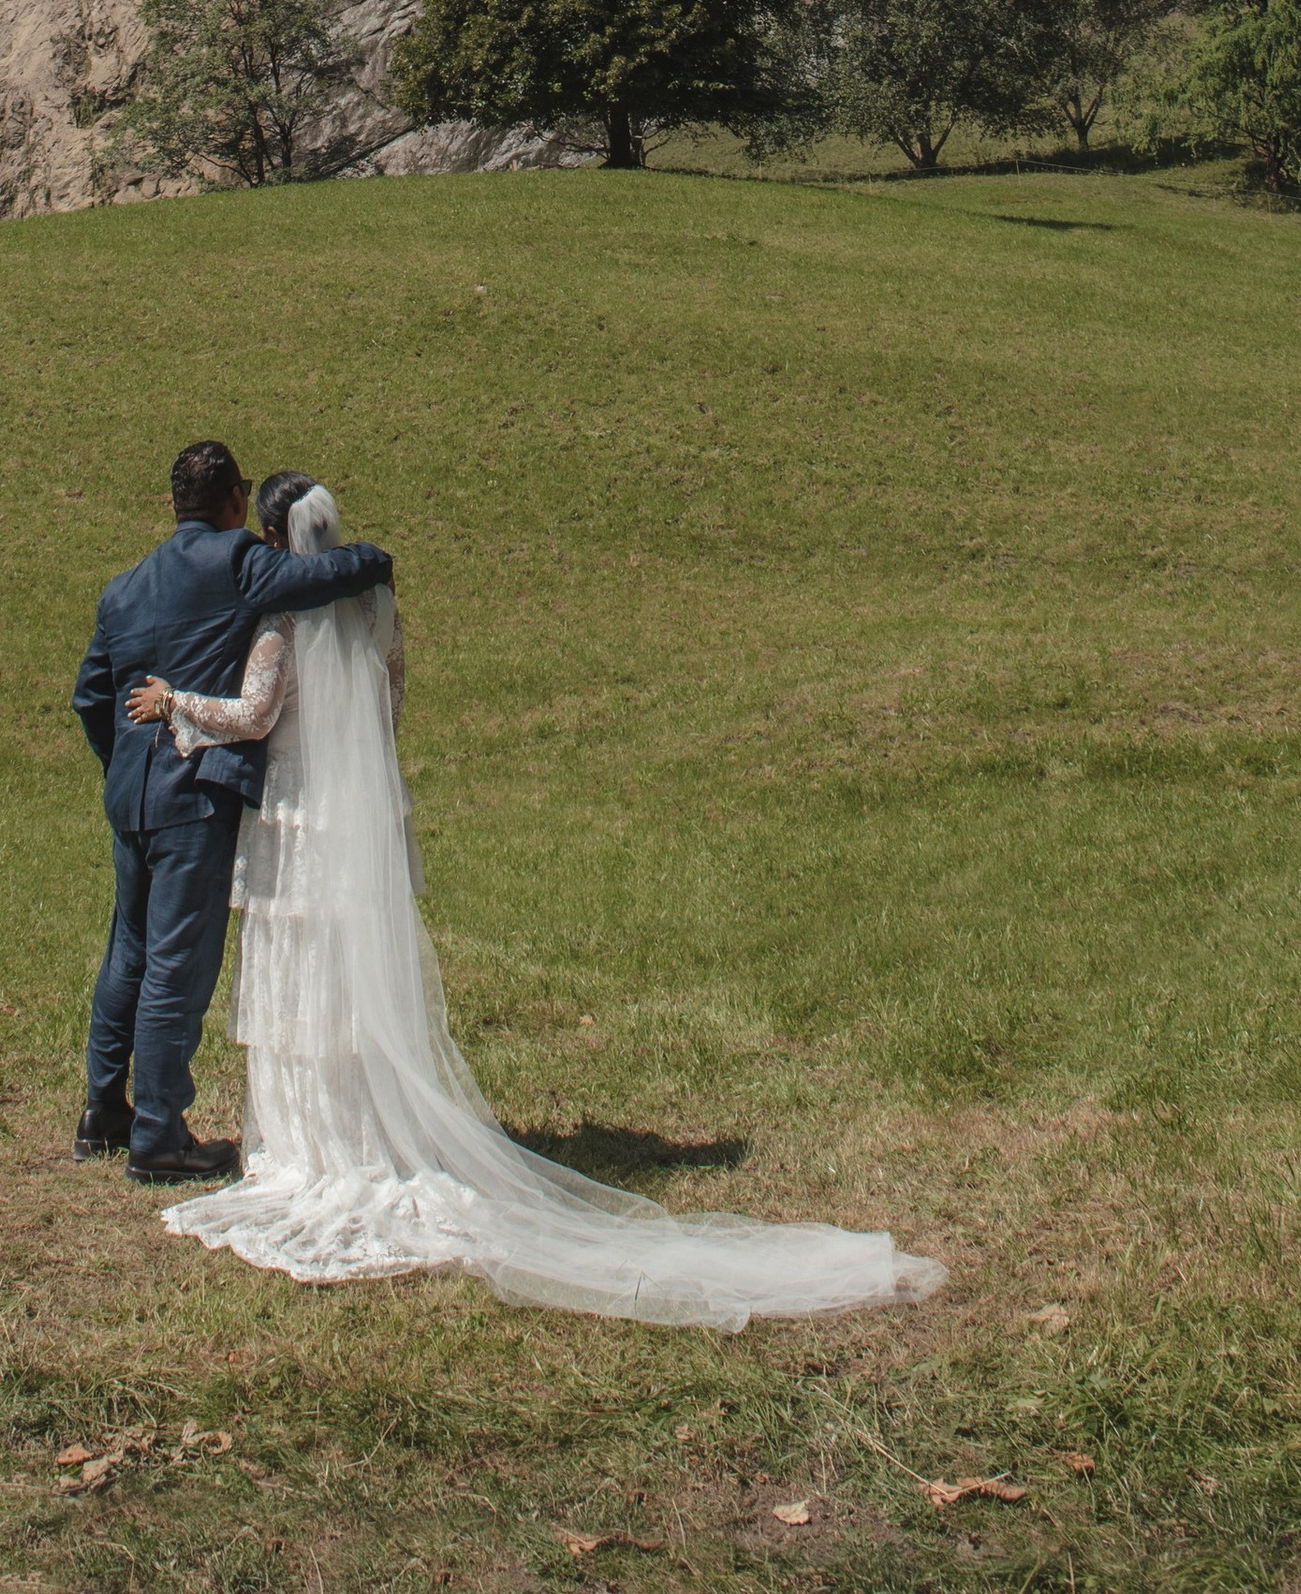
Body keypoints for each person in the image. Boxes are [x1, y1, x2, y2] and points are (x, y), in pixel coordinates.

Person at [124, 471, 943, 1324]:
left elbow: (254, 716)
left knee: (306, 964)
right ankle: (369, 1125)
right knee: (354, 961)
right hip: (363, 806)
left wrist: (175, 700)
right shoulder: (377, 608)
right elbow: (390, 704)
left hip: (301, 811)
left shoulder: (281, 622)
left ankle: (311, 1141)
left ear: (267, 534)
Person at [72, 438, 393, 1182]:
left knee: (128, 950)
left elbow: (90, 696)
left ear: (171, 503)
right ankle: (158, 1134)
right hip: (194, 790)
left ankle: (102, 1110)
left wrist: (123, 759)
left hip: (130, 795)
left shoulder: (122, 587)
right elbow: (321, 575)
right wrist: (376, 557)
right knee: (177, 965)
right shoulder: (238, 559)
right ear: (232, 501)